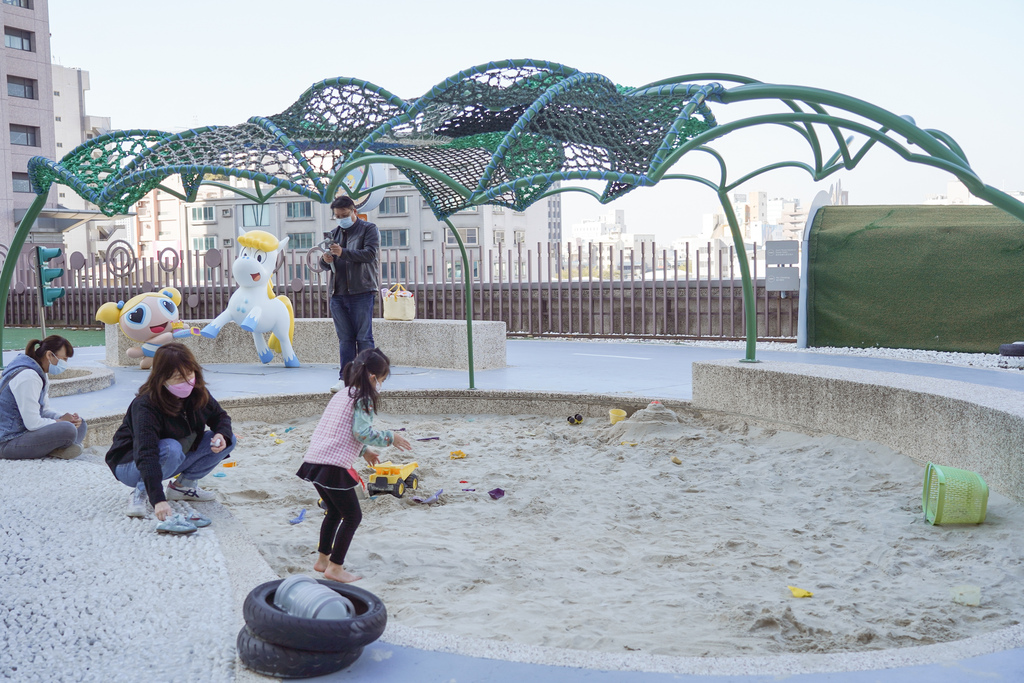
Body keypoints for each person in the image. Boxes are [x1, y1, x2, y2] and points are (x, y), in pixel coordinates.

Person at [297, 348, 411, 583]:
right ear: (372, 378)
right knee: (352, 516)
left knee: (334, 511)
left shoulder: (342, 393)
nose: (380, 385)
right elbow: (361, 431)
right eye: (381, 380)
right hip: (333, 466)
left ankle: (322, 561)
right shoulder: (364, 398)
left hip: (314, 462)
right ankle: (335, 568)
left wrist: (364, 451)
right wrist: (391, 437)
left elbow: (340, 431)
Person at [105, 343, 235, 521]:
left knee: (229, 439)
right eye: (177, 377)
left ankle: (183, 486)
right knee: (170, 448)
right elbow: (146, 452)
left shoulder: (197, 391)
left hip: (172, 455)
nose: (187, 381)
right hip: (130, 463)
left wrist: (221, 434)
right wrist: (158, 499)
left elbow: (220, 416)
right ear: (161, 377)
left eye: (189, 373)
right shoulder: (146, 405)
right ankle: (141, 492)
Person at [321, 195, 381, 394]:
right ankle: (345, 378)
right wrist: (325, 259)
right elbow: (325, 266)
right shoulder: (333, 234)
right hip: (338, 293)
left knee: (364, 338)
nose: (341, 219)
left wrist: (343, 252)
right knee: (345, 339)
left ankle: (368, 378)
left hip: (362, 290)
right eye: (337, 216)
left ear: (354, 211)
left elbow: (370, 254)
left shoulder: (368, 229)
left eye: (344, 215)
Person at [0, 336, 86, 460]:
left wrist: (62, 418)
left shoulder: (40, 373)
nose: (65, 364)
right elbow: (33, 423)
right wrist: (61, 422)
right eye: (64, 359)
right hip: (8, 441)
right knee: (68, 429)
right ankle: (61, 449)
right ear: (49, 355)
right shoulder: (28, 376)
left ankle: (58, 449)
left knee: (80, 424)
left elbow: (44, 410)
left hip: (25, 432)